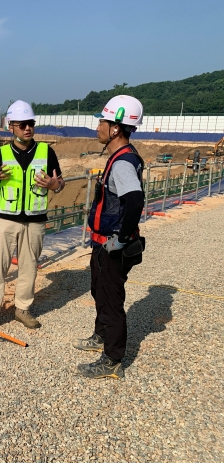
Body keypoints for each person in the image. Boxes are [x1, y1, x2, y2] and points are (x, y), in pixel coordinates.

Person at [73, 95, 145, 379]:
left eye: (102, 121)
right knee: (99, 291)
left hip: (112, 246)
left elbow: (135, 200)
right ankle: (101, 335)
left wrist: (122, 238)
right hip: (102, 243)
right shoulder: (121, 156)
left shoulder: (122, 163)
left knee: (111, 300)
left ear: (116, 128)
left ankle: (112, 360)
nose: (98, 126)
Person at [0, 100, 65, 330]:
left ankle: (22, 309)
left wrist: (55, 184)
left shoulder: (47, 152)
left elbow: (60, 183)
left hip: (35, 221)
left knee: (29, 267)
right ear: (11, 127)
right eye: (22, 124)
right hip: (5, 221)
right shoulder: (1, 154)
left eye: (30, 124)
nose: (28, 128)